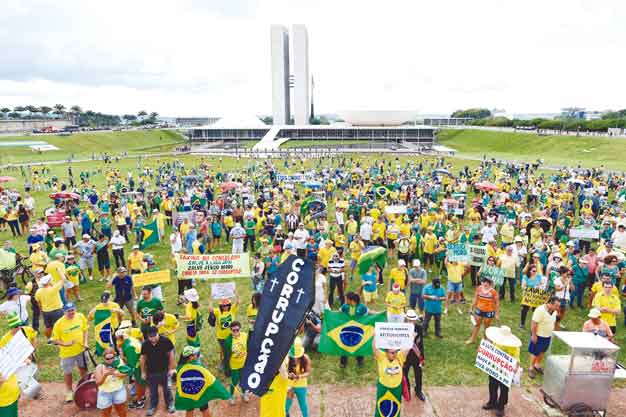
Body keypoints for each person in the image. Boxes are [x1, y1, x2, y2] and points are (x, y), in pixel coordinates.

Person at [174, 345, 230, 417]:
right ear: (191, 357)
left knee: (189, 411)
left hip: (187, 394)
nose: (197, 355)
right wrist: (223, 392)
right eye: (195, 354)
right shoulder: (199, 368)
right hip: (201, 394)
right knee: (205, 410)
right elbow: (211, 380)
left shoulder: (180, 368)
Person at [51, 302, 88, 403]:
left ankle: (84, 388)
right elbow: (55, 340)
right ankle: (69, 391)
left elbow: (85, 330)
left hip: (81, 350)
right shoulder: (59, 324)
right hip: (67, 353)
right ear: (64, 312)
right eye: (69, 311)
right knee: (68, 373)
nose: (71, 312)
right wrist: (66, 344)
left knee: (83, 369)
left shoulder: (80, 317)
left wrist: (85, 342)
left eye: (73, 310)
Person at [483, 326, 522, 417]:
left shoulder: (515, 347)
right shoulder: (495, 341)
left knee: (504, 389)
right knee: (492, 385)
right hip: (495, 368)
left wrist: (516, 366)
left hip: (506, 371)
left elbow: (516, 359)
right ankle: (492, 402)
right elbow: (490, 350)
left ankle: (501, 407)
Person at [140, 326, 175, 415]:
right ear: (147, 336)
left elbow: (171, 355)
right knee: (153, 391)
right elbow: (143, 358)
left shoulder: (165, 341)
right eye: (150, 337)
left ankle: (170, 404)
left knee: (167, 389)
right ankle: (153, 406)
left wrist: (171, 369)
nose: (153, 338)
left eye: (154, 336)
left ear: (158, 333)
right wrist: (143, 372)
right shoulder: (145, 344)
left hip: (164, 370)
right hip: (151, 372)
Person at [372, 338, 408, 417]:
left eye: (396, 351)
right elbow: (374, 348)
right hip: (384, 388)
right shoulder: (381, 357)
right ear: (386, 352)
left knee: (395, 408)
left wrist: (411, 337)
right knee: (381, 408)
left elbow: (407, 349)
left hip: (396, 388)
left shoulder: (399, 356)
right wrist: (375, 337)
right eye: (392, 352)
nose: (394, 354)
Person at [115, 322, 146, 409]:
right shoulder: (131, 339)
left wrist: (123, 358)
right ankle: (142, 397)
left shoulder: (129, 347)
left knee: (138, 383)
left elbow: (131, 363)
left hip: (138, 367)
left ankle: (140, 402)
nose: (117, 341)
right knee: (141, 382)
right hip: (141, 363)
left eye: (118, 339)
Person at [528, 296, 560, 379]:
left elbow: (554, 321)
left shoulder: (554, 311)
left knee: (542, 351)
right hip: (539, 335)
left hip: (547, 335)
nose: (557, 308)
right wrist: (534, 335)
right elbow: (534, 323)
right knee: (535, 352)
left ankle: (537, 365)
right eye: (556, 306)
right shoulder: (540, 310)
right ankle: (531, 367)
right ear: (550, 303)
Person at [209, 296, 239, 377]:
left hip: (231, 336)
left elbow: (237, 302)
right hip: (221, 337)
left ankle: (226, 364)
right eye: (223, 306)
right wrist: (210, 300)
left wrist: (235, 293)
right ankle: (226, 369)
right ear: (221, 306)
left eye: (227, 305)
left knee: (230, 351)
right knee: (226, 353)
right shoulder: (218, 311)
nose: (225, 307)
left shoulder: (232, 309)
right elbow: (210, 310)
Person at [94, 348, 129, 417]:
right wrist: (105, 375)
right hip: (104, 393)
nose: (110, 360)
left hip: (118, 390)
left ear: (114, 356)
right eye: (107, 359)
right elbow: (98, 383)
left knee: (121, 410)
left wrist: (115, 374)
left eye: (112, 358)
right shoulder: (100, 367)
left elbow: (125, 374)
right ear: (104, 358)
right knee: (106, 413)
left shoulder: (119, 363)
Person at [88, 291, 124, 356]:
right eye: (103, 301)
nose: (105, 303)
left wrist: (117, 310)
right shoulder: (98, 307)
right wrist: (91, 313)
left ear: (110, 298)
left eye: (106, 301)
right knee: (105, 341)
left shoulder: (115, 305)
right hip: (104, 328)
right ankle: (106, 352)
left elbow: (122, 314)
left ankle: (116, 352)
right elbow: (90, 319)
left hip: (114, 327)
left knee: (115, 341)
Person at [466, 276, 500, 345]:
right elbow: (475, 299)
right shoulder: (479, 289)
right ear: (482, 282)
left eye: (487, 282)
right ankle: (472, 339)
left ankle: (486, 340)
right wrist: (471, 307)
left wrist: (497, 314)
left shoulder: (493, 292)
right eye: (484, 281)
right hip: (479, 310)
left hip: (489, 312)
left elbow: (497, 303)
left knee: (487, 326)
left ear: (490, 284)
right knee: (476, 325)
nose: (485, 283)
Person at [339, 292, 368, 368]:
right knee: (345, 344)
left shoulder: (361, 307)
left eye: (346, 299)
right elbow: (338, 313)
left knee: (358, 344)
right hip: (347, 330)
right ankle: (343, 362)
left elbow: (369, 312)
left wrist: (379, 314)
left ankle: (360, 361)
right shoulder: (345, 306)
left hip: (357, 330)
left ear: (351, 300)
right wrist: (328, 313)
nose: (345, 300)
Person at [224, 321, 249, 404]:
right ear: (230, 330)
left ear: (240, 329)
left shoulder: (245, 336)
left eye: (237, 330)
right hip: (234, 365)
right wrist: (227, 368)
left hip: (244, 364)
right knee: (234, 381)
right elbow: (226, 356)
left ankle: (244, 394)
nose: (235, 332)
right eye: (233, 330)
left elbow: (248, 347)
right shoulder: (228, 341)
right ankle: (231, 397)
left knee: (244, 380)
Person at [403, 310, 425, 401]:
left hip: (416, 355)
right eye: (409, 320)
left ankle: (418, 390)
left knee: (418, 374)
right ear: (406, 319)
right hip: (406, 355)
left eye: (413, 320)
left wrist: (422, 357)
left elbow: (421, 343)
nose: (411, 322)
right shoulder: (402, 328)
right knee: (404, 373)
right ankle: (406, 390)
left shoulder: (419, 328)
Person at [286, 337, 311, 417]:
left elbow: (308, 372)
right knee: (286, 406)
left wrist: (299, 376)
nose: (295, 358)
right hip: (290, 385)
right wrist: (289, 375)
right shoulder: (287, 358)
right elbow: (284, 371)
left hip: (301, 385)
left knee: (303, 405)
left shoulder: (306, 358)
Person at [35, 274, 65, 338]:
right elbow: (63, 279)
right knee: (60, 325)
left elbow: (39, 303)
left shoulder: (38, 291)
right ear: (48, 282)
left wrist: (41, 311)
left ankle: (49, 339)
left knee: (48, 327)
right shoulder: (54, 288)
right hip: (57, 311)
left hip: (46, 312)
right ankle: (60, 338)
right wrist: (59, 271)